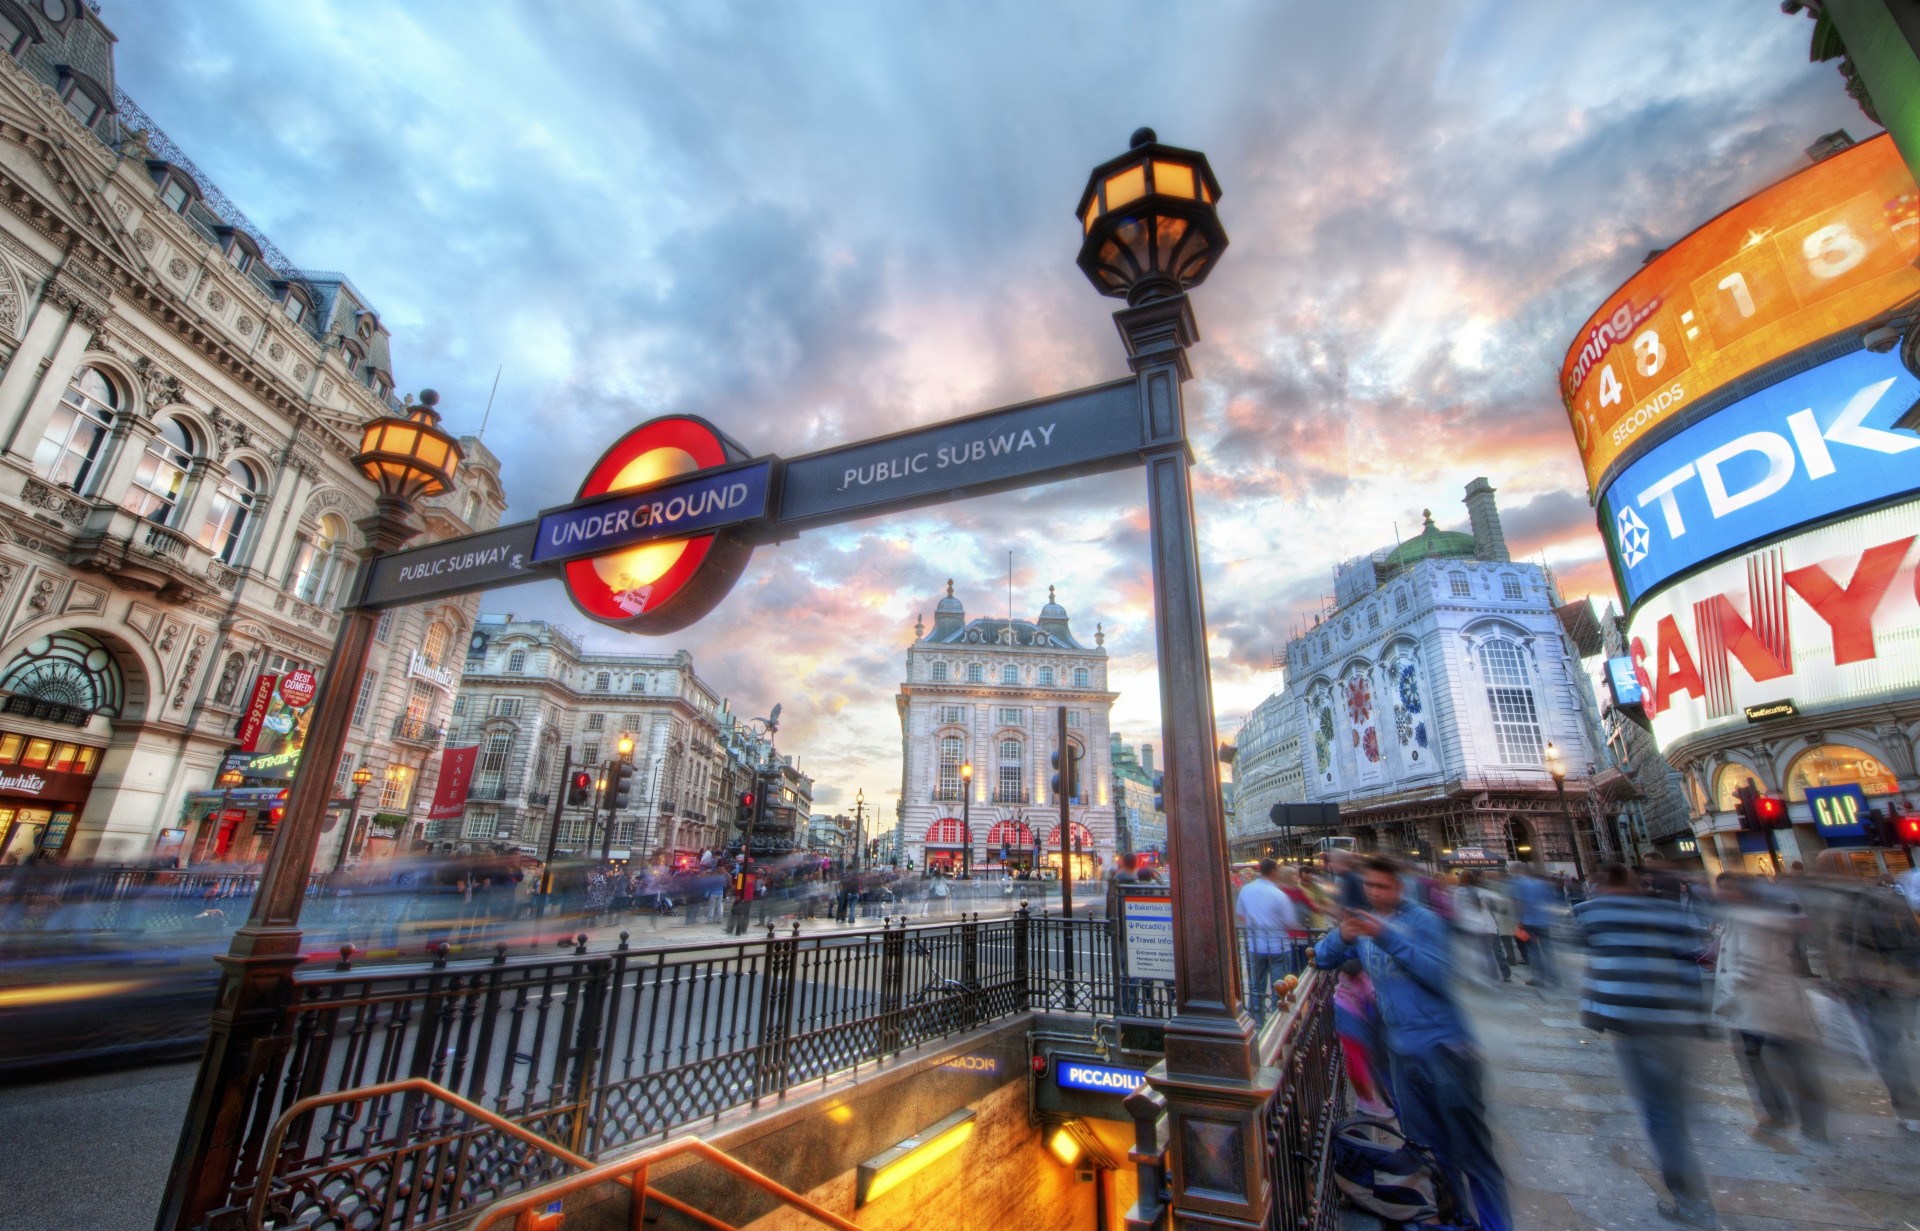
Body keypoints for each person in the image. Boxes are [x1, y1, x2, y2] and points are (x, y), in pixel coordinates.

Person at [1314, 856, 1510, 1231]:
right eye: (1369, 886)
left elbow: (1440, 973)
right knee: (1427, 1147)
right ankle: (1454, 1215)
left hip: (1446, 1052)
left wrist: (1385, 936)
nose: (1373, 893)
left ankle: (1495, 1224)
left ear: (1399, 887)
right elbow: (1322, 959)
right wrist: (1343, 935)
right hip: (1402, 1053)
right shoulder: (1369, 928)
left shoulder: (1425, 922)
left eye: (1382, 886)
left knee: (1472, 1151)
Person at [1572, 863, 1718, 1229]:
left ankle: (1692, 1203)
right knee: (1672, 1111)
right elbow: (1695, 959)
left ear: (1599, 884)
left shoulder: (1593, 911)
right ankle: (1690, 1182)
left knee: (1660, 1116)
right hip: (1675, 1022)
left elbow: (1582, 939)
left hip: (1635, 1024)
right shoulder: (1665, 911)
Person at [1809, 849, 1920, 1132]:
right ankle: (1906, 1104)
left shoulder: (1859, 899)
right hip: (1866, 983)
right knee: (1887, 1045)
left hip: (1874, 983)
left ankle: (1907, 1105)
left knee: (1888, 1045)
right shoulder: (1836, 899)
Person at [1712, 873, 1826, 1142]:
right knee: (1784, 1059)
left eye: (1726, 889)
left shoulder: (1750, 920)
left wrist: (1727, 995)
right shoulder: (1751, 915)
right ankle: (1805, 1118)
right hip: (1770, 1002)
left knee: (1764, 1057)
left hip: (1759, 1003)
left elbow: (1752, 967)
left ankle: (1784, 1114)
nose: (1721, 894)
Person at [1236, 858, 1302, 1005]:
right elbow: (1290, 922)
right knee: (1279, 988)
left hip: (1255, 946)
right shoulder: (1279, 894)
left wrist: (1253, 924)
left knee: (1256, 988)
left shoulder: (1246, 890)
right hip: (1278, 947)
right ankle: (1277, 1020)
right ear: (1273, 872)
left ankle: (1257, 1022)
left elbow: (1241, 914)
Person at [1510, 865, 1562, 987]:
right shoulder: (1542, 883)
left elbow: (1520, 902)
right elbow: (1550, 900)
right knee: (1548, 950)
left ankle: (1539, 978)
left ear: (1521, 871)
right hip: (1544, 921)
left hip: (1529, 921)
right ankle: (1555, 978)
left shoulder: (1521, 883)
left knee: (1534, 951)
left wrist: (1519, 918)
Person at [1455, 872, 1510, 984]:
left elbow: (1456, 909)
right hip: (1486, 926)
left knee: (1475, 952)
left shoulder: (1459, 892)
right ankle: (1493, 977)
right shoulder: (1481, 891)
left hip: (1470, 926)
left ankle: (1479, 976)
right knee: (1488, 953)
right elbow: (1500, 899)